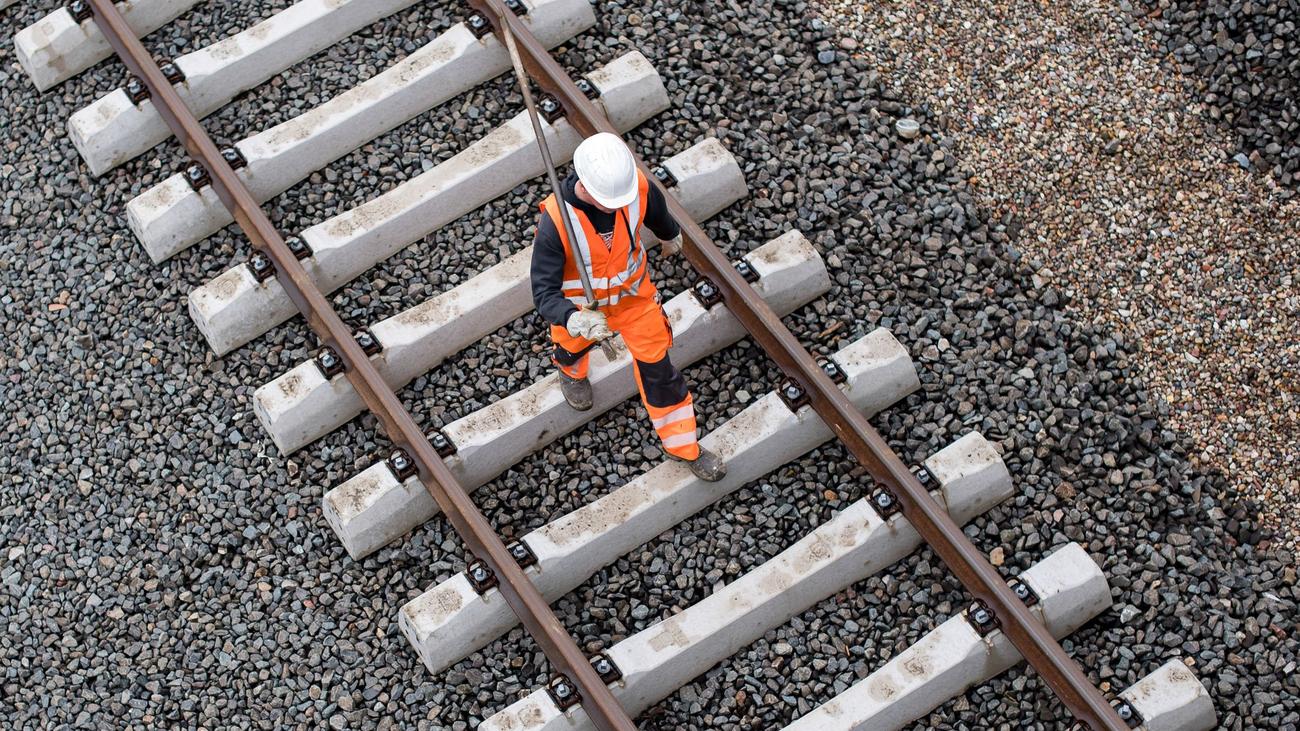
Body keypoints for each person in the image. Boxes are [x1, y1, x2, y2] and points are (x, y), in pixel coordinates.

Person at [529, 133, 726, 482]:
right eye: (609, 202)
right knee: (571, 346)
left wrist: (668, 233)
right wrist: (572, 318)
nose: (617, 206)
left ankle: (683, 446)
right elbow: (543, 292)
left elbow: (654, 208)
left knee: (660, 372)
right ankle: (571, 371)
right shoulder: (556, 222)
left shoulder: (633, 187)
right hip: (584, 310)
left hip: (634, 301)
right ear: (585, 186)